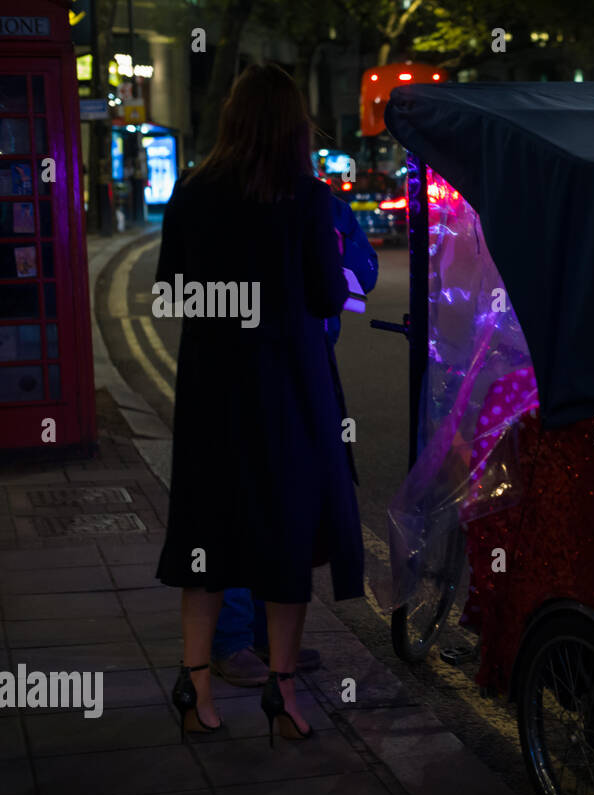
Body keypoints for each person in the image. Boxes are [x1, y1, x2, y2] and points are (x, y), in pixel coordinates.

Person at [155, 63, 364, 744]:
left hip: (212, 392)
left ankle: (197, 688)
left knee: (205, 535)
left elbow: (171, 294)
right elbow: (330, 297)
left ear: (233, 119)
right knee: (286, 538)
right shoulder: (303, 197)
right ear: (294, 127)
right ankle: (281, 697)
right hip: (286, 392)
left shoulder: (190, 191)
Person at [211, 195, 377, 687]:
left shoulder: (323, 202)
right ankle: (230, 639)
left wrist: (336, 276)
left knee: (285, 503)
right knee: (243, 501)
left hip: (307, 365)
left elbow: (362, 268)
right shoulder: (226, 196)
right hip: (246, 366)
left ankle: (266, 635)